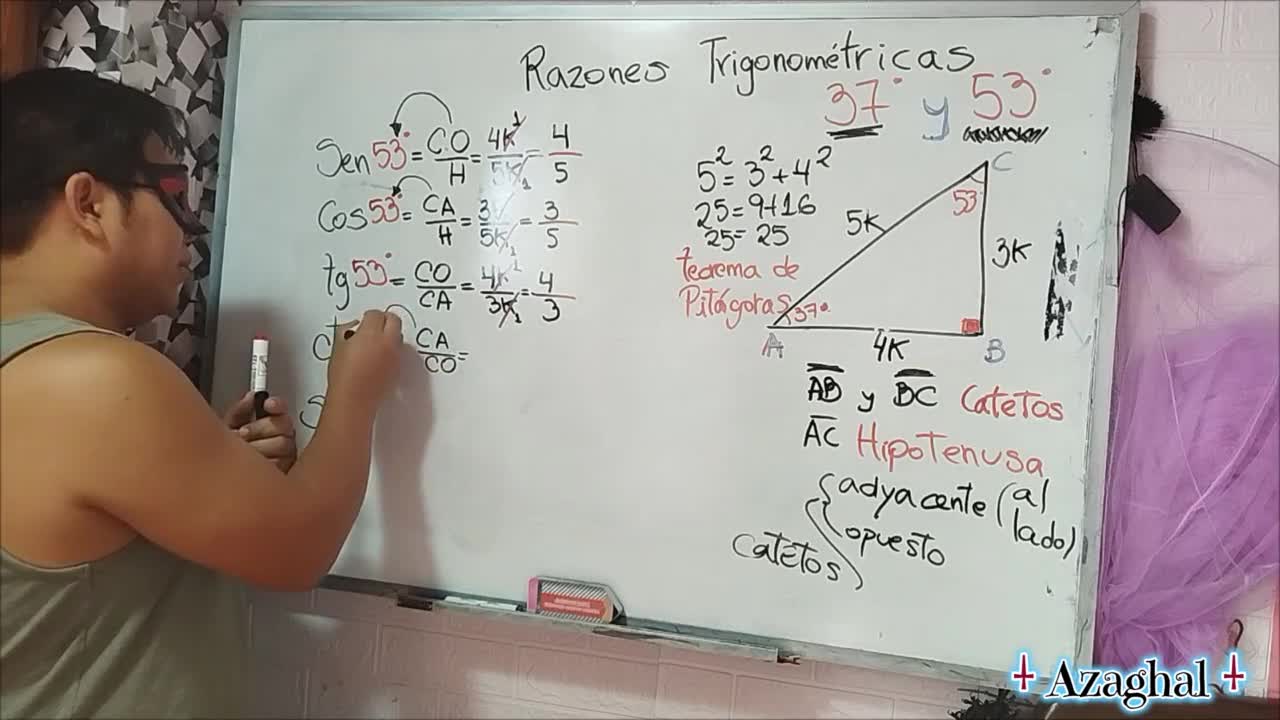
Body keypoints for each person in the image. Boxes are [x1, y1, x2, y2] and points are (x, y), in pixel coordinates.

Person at [1, 67, 403, 718]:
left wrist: (216, 463)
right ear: (89, 203)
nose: (192, 231)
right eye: (173, 196)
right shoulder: (94, 379)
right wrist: (355, 393)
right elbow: (299, 548)